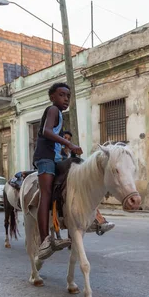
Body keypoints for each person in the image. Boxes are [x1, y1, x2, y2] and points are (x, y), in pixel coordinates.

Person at [33, 82, 83, 260]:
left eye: (68, 96)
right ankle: (45, 241)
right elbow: (46, 131)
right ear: (52, 97)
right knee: (46, 194)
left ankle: (86, 222)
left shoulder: (60, 114)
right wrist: (69, 143)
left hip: (56, 158)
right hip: (45, 157)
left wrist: (66, 150)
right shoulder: (53, 110)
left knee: (78, 172)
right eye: (62, 95)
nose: (65, 99)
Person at [61, 131, 115, 235]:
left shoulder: (71, 152)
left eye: (68, 139)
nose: (67, 141)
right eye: (65, 138)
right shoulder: (58, 151)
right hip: (64, 177)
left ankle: (99, 220)